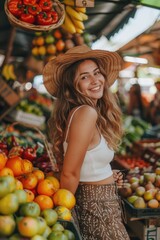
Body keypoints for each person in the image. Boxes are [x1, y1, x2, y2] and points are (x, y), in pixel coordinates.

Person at [43, 45, 130, 240]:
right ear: (73, 86)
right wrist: (61, 215)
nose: (94, 80)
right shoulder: (86, 113)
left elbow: (84, 164)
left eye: (96, 73)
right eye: (84, 77)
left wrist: (107, 174)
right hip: (97, 207)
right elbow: (70, 172)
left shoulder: (84, 112)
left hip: (101, 202)